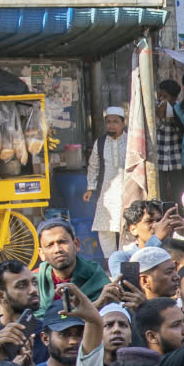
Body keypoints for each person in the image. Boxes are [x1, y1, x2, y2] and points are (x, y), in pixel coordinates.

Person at [84, 105, 130, 259]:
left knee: (128, 226)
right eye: (108, 122)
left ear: (122, 123)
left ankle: (125, 260)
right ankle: (110, 261)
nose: (111, 125)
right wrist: (90, 188)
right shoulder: (101, 142)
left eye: (115, 121)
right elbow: (94, 165)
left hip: (127, 189)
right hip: (107, 191)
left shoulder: (130, 140)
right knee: (105, 228)